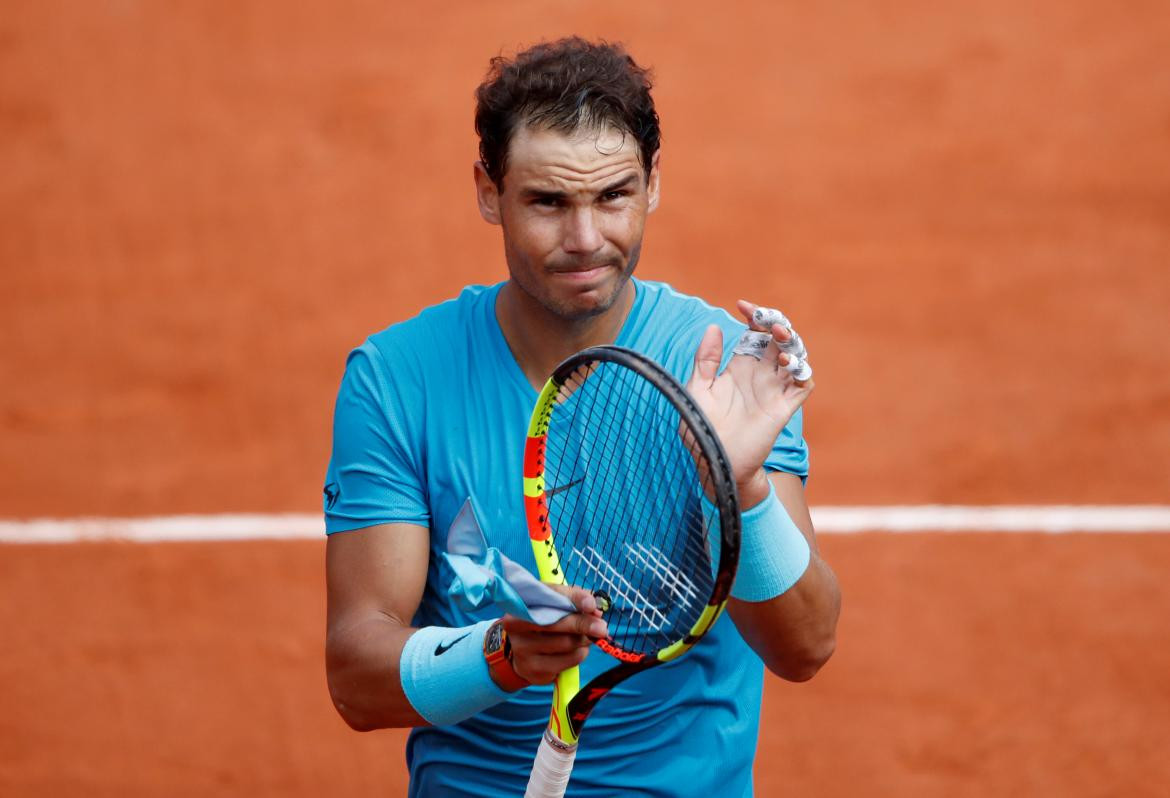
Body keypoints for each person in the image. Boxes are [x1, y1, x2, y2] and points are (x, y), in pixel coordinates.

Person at [323, 37, 841, 797]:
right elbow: (355, 678)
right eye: (548, 202)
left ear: (654, 183)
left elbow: (807, 645)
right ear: (488, 191)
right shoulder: (398, 381)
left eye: (613, 196)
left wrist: (743, 490)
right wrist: (499, 655)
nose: (586, 240)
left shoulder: (726, 370)